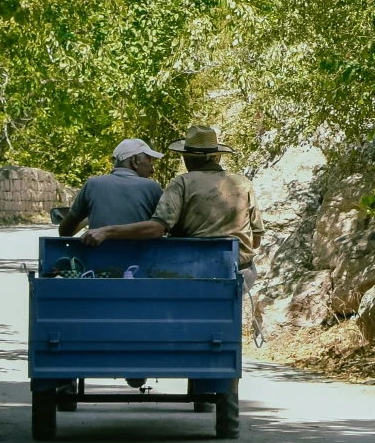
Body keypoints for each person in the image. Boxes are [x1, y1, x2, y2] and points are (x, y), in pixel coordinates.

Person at [80, 124, 265, 341]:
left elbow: (157, 228)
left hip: (195, 272)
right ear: (216, 157)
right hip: (239, 273)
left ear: (188, 158)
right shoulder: (242, 183)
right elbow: (257, 240)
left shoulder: (182, 183)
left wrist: (107, 231)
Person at [58, 138, 164, 237]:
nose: (152, 170)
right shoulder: (152, 188)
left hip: (98, 256)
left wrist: (88, 218)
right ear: (135, 160)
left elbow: (64, 231)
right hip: (141, 256)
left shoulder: (92, 184)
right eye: (150, 162)